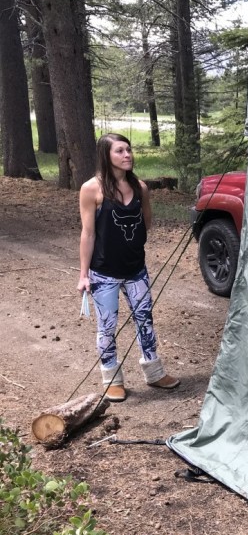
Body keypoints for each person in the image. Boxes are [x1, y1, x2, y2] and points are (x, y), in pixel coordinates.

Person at [77, 133, 179, 402]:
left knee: (145, 320)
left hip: (136, 270)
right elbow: (88, 234)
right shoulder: (91, 189)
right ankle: (111, 378)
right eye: (120, 151)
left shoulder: (141, 188)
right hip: (103, 272)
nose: (127, 155)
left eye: (129, 150)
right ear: (106, 156)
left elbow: (146, 222)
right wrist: (83, 275)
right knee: (107, 326)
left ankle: (154, 372)